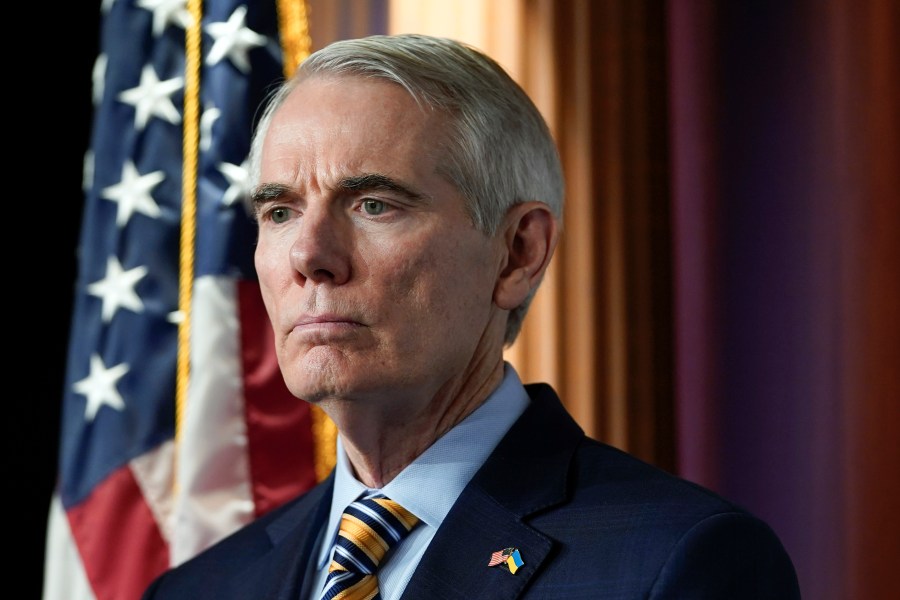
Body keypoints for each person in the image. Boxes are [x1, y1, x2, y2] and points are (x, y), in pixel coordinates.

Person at [143, 33, 800, 599]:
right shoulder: (201, 587)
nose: (310, 256)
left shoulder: (675, 563)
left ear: (518, 253)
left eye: (374, 204)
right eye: (279, 212)